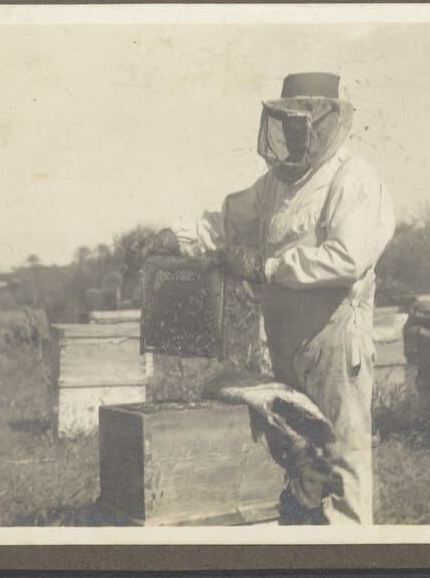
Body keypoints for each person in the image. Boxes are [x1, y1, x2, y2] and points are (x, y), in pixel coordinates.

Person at [140, 72, 395, 524]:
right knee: (299, 453)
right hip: (284, 338)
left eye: (299, 125)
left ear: (323, 122)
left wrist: (268, 267)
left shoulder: (353, 179)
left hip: (334, 341)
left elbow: (346, 259)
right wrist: (172, 239)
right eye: (285, 123)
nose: (291, 134)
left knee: (342, 455)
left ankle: (350, 551)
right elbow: (224, 226)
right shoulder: (274, 184)